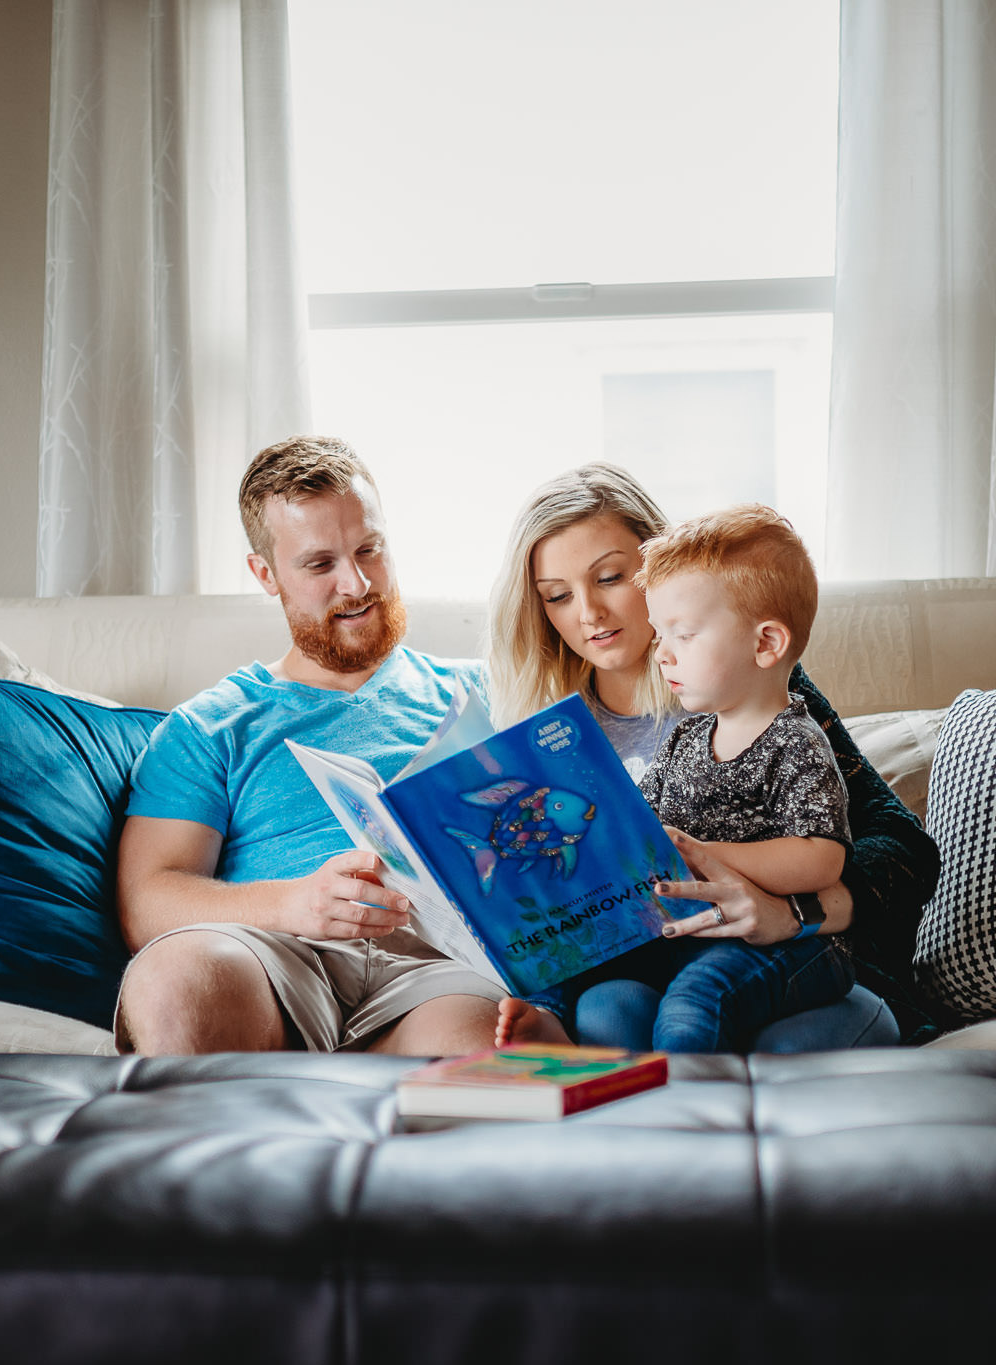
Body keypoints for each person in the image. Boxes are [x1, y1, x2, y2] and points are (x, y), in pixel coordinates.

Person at [115, 436, 573, 1056]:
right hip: (270, 952)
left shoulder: (491, 691)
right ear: (266, 575)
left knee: (483, 1054)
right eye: (319, 564)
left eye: (369, 550)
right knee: (176, 983)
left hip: (437, 970)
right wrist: (294, 903)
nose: (355, 584)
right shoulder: (210, 726)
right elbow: (146, 901)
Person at [484, 464, 941, 1048]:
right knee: (605, 1015)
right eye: (557, 596)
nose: (588, 613)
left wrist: (791, 910)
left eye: (611, 577)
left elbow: (902, 850)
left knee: (737, 1026)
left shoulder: (751, 682)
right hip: (658, 960)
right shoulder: (550, 735)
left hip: (789, 959)